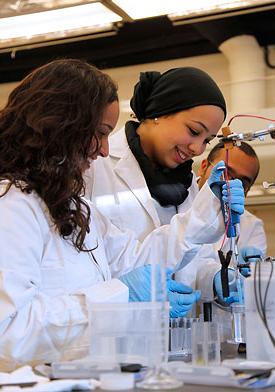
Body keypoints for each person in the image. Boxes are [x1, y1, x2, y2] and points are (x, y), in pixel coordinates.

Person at [0, 60, 244, 371]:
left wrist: (207, 215)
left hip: (92, 376)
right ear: (59, 125)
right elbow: (8, 331)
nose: (103, 150)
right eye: (99, 133)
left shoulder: (77, 210)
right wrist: (121, 296)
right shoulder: (11, 206)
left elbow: (139, 258)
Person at [85, 67, 245, 302]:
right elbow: (104, 262)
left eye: (206, 141)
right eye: (194, 131)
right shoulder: (96, 166)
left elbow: (191, 259)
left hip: (176, 332)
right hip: (116, 327)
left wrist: (215, 279)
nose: (197, 149)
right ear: (160, 111)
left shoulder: (185, 183)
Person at [176, 142, 266, 303]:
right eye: (226, 173)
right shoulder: (176, 202)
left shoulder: (252, 226)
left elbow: (252, 286)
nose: (231, 184)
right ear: (203, 167)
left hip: (221, 319)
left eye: (243, 183)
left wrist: (247, 271)